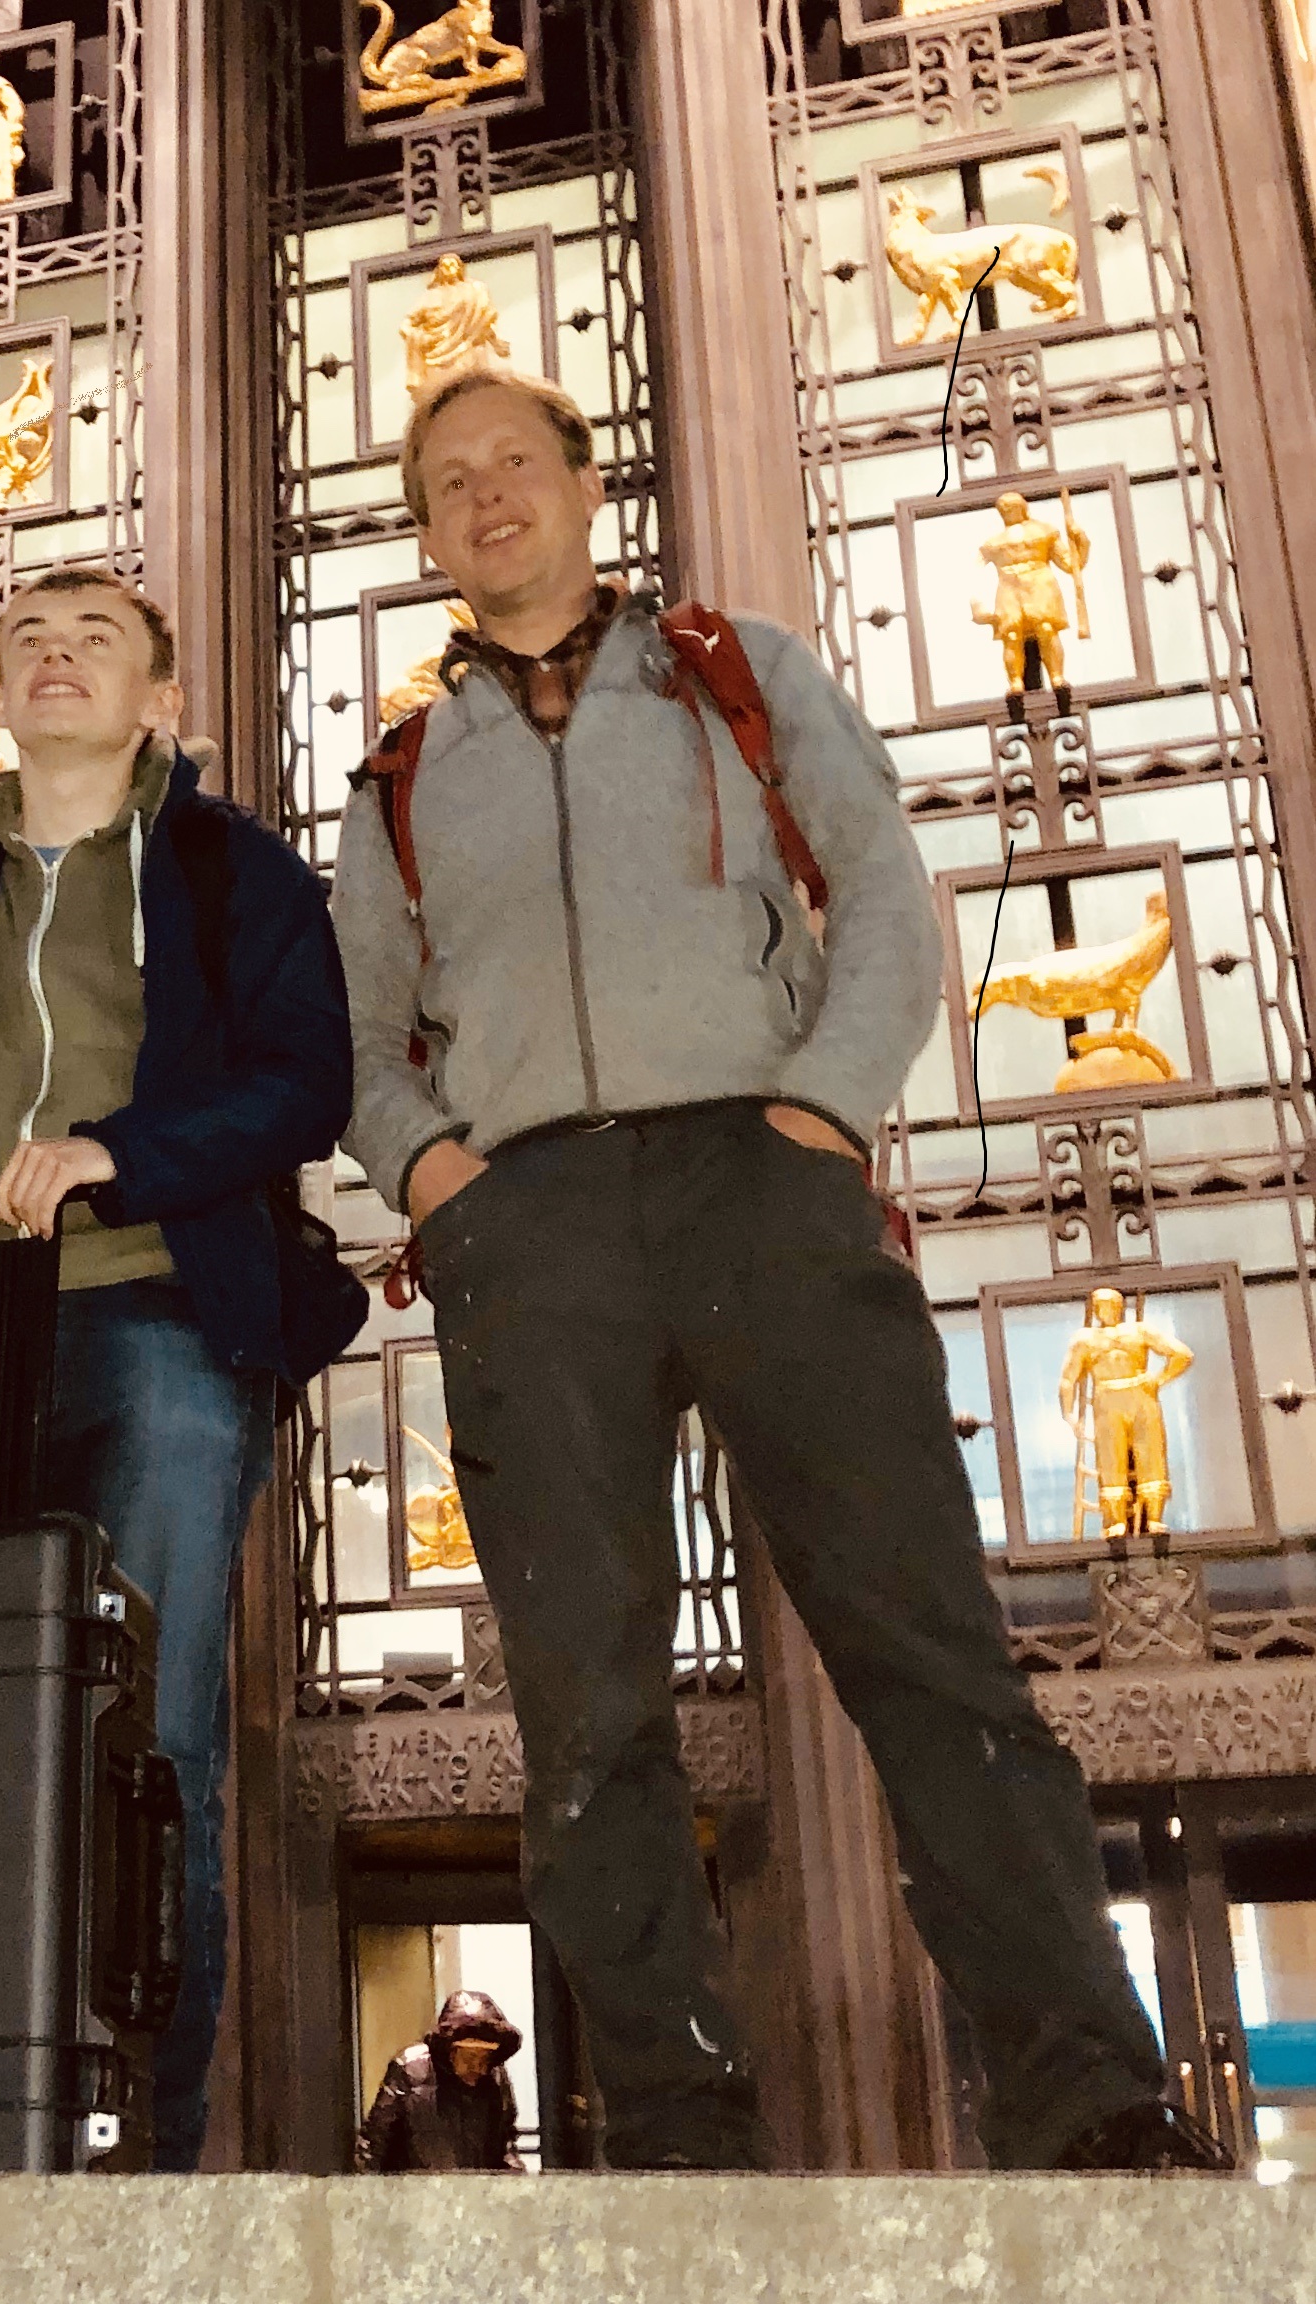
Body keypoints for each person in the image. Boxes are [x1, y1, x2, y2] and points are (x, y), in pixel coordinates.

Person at [329, 367, 1223, 2175]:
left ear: (589, 491)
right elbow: (353, 1030)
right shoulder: (405, 770)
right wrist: (443, 1181)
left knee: (931, 1655)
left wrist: (817, 1114)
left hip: (765, 1183)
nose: (485, 495)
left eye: (515, 462)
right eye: (447, 482)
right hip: (537, 1231)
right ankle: (676, 2132)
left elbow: (888, 899)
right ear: (425, 537)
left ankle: (1090, 2108)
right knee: (587, 1711)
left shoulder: (740, 675)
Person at [0, 563, 366, 2171]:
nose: (53, 660)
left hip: (162, 1330)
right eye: (27, 641)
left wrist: (114, 1153)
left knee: (152, 1748)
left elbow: (299, 1084)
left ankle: (136, 2150)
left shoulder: (230, 874)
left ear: (156, 700)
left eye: (93, 641)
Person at [355, 1989, 526, 2174]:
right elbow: (374, 2145)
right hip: (417, 2196)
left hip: (475, 2197)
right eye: (470, 2057)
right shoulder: (410, 2069)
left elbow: (505, 2145)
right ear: (450, 2051)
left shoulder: (496, 2077)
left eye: (485, 2058)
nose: (478, 2067)